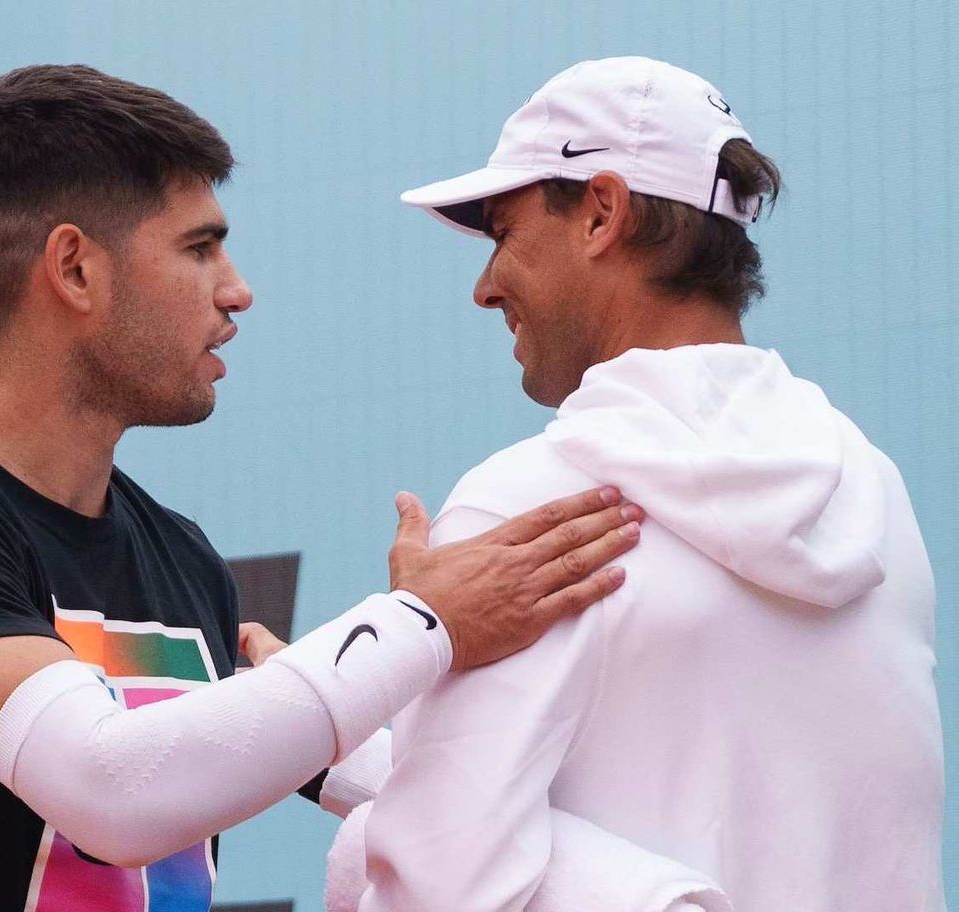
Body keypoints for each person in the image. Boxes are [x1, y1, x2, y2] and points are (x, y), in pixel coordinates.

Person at [0, 64, 642, 912]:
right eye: (199, 247)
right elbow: (109, 786)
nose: (238, 290)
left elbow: (208, 750)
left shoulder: (181, 555)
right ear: (74, 269)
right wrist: (425, 626)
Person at [331, 56, 946, 911]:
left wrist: (372, 815)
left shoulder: (525, 509)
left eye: (503, 233)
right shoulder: (873, 490)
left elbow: (438, 888)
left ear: (601, 213)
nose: (483, 287)